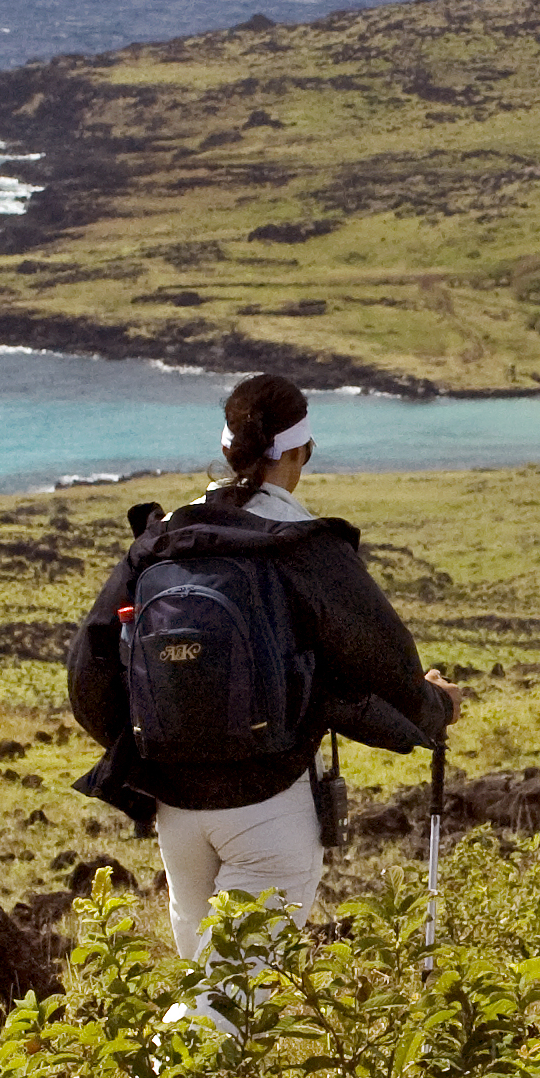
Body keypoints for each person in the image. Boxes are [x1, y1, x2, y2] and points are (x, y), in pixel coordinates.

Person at [69, 371, 456, 968]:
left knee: (208, 980)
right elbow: (385, 666)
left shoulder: (160, 542)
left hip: (175, 811)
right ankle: (140, 1067)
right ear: (302, 452)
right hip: (271, 801)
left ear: (227, 449)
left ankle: (161, 1062)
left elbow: (89, 674)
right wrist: (436, 709)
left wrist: (152, 757)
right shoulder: (303, 547)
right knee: (230, 995)